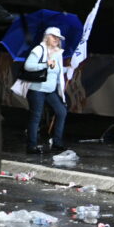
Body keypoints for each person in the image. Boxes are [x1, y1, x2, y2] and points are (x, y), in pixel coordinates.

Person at [23, 26, 68, 155]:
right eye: (54, 37)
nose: (57, 40)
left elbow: (56, 71)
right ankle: (31, 146)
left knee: (61, 112)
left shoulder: (58, 52)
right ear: (47, 36)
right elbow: (28, 66)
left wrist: (68, 69)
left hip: (50, 90)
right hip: (37, 89)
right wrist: (45, 64)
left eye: (58, 38)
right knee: (36, 116)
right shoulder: (39, 49)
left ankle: (57, 142)